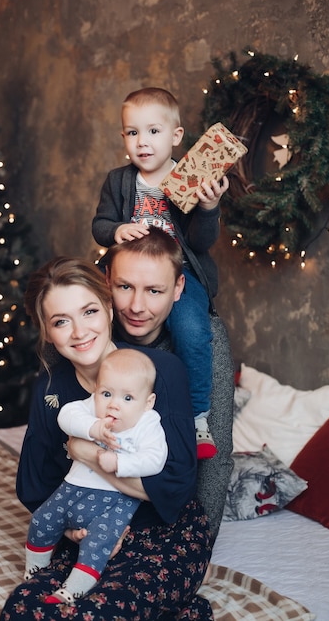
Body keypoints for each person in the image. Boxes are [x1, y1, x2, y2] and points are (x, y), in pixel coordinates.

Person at [1, 256, 214, 619]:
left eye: (88, 312)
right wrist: (74, 530)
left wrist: (85, 454)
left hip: (163, 534)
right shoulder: (51, 389)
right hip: (88, 536)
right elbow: (34, 484)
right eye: (60, 321)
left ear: (109, 311)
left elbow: (176, 487)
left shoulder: (160, 372)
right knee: (23, 610)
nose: (79, 332)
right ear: (48, 331)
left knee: (100, 613)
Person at [92, 87, 229, 459]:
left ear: (176, 136)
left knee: (192, 329)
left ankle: (199, 418)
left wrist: (208, 207)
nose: (143, 142)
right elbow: (100, 224)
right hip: (125, 273)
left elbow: (201, 243)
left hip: (176, 276)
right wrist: (116, 230)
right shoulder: (119, 181)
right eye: (133, 133)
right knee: (89, 311)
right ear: (123, 137)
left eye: (153, 131)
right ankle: (97, 403)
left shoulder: (190, 178)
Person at [104, 226, 234, 544]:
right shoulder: (89, 332)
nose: (136, 306)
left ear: (178, 289)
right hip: (97, 515)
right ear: (107, 279)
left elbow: (214, 457)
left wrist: (199, 541)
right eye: (124, 286)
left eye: (154, 291)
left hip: (173, 524)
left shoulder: (204, 341)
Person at [24, 347, 168, 605]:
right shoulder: (93, 407)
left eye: (128, 398)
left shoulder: (148, 423)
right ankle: (35, 569)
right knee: (42, 521)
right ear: (97, 390)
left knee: (99, 544)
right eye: (107, 393)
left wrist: (120, 462)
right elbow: (66, 415)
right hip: (71, 488)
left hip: (114, 500)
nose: (113, 403)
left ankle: (74, 588)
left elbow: (155, 459)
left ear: (148, 402)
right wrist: (93, 428)